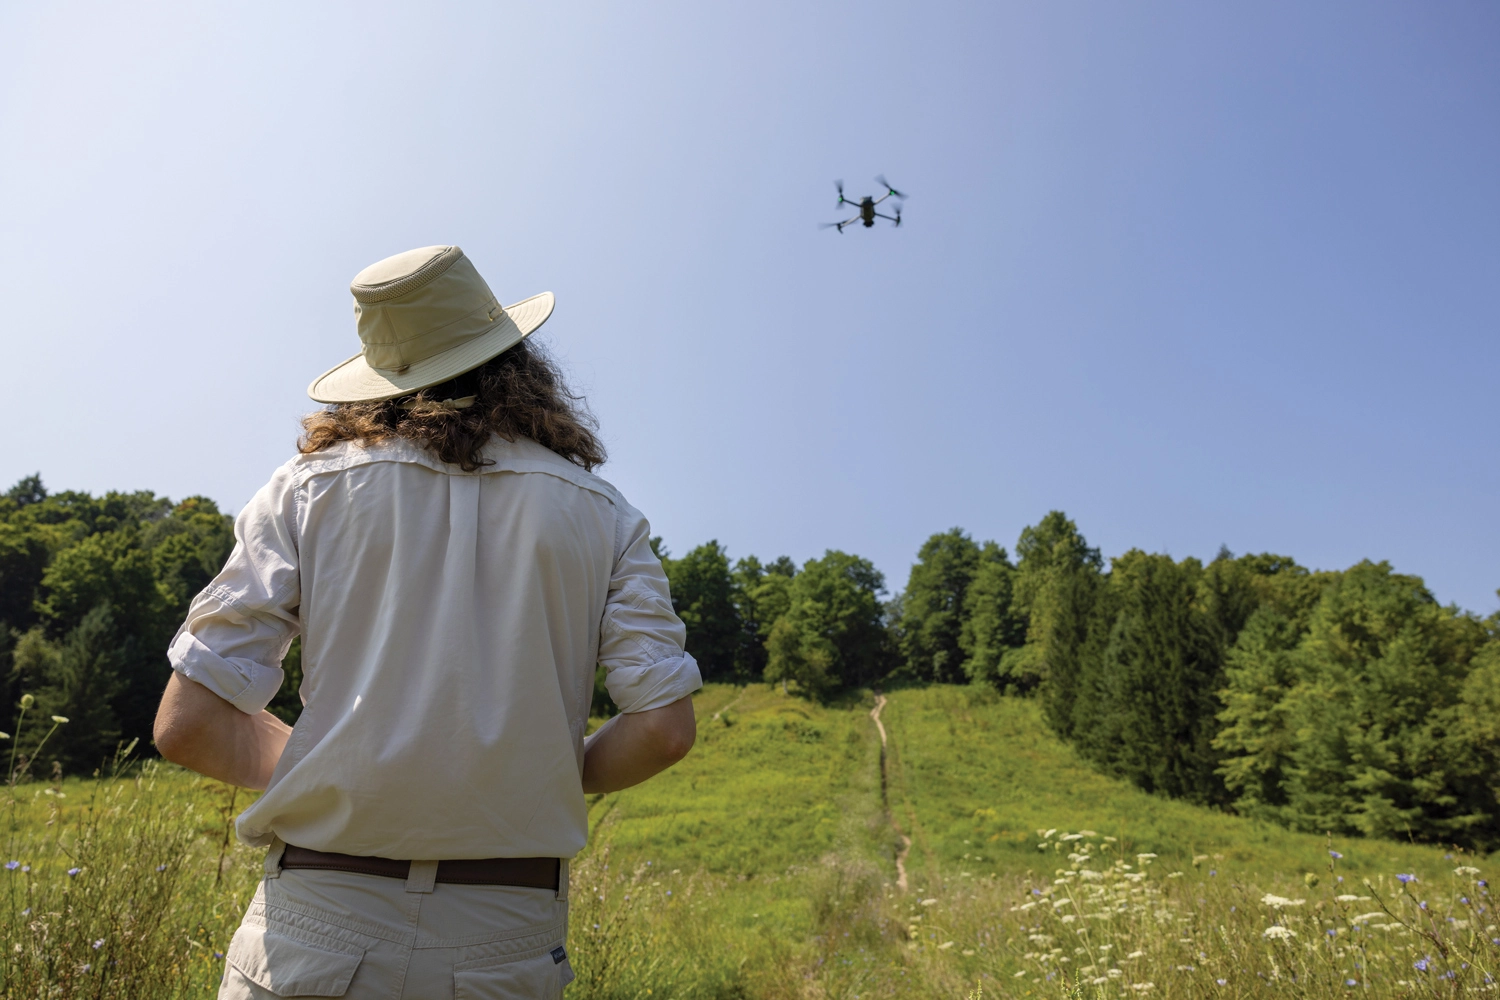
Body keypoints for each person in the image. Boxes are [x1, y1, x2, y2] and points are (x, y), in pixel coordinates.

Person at [152, 245, 701, 999]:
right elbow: (664, 729)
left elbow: (190, 725)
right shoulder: (605, 516)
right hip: (505, 937)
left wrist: (356, 772)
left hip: (313, 924)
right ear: (514, 358)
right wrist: (511, 778)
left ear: (379, 379)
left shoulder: (303, 492)